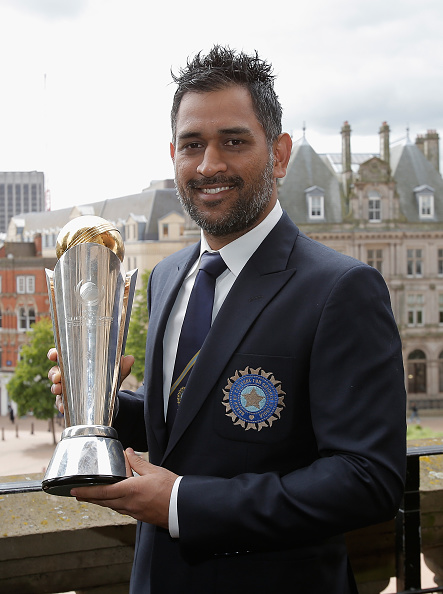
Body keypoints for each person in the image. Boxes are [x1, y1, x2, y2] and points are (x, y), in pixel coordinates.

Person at [48, 46, 407, 594]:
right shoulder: (167, 276)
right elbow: (190, 425)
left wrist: (180, 504)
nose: (209, 163)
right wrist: (99, 406)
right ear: (173, 155)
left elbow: (368, 479)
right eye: (192, 145)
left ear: (279, 153)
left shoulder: (340, 288)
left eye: (234, 141)